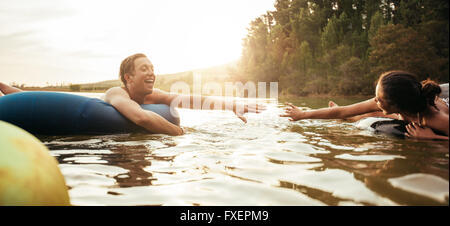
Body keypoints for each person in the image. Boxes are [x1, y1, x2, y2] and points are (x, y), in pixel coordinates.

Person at [104, 53, 265, 136]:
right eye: (144, 69)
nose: (151, 74)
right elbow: (142, 118)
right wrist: (181, 132)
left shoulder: (152, 95)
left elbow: (190, 100)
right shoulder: (116, 93)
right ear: (128, 77)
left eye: (152, 69)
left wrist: (232, 105)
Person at [281, 71, 449, 140]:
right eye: (376, 97)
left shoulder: (436, 119)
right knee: (374, 113)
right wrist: (302, 114)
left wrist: (434, 138)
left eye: (379, 100)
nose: (375, 101)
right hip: (408, 108)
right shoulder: (391, 99)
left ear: (397, 104)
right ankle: (356, 118)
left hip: (444, 105)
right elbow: (342, 111)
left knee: (385, 115)